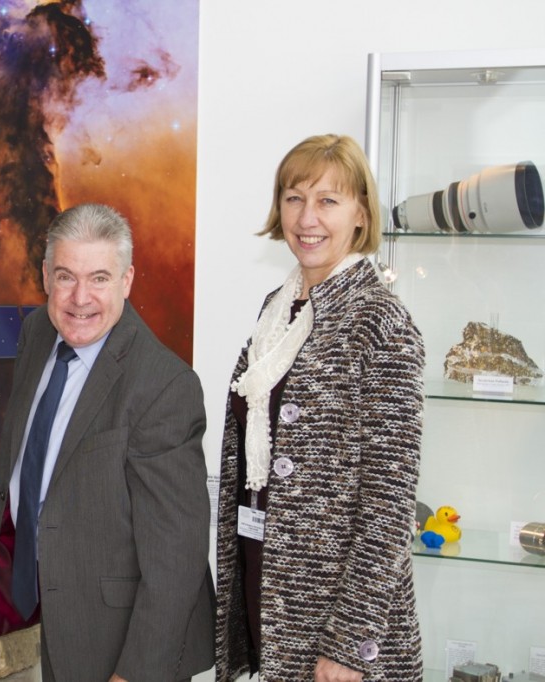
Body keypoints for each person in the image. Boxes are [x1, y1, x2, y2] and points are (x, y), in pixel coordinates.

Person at [0, 203, 216, 682]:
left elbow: (176, 558)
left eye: (99, 278)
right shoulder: (39, 331)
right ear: (45, 276)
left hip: (121, 639)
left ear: (126, 280)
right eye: (66, 276)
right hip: (57, 613)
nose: (80, 298)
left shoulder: (164, 387)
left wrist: (135, 674)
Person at [213, 134, 424, 681]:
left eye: (328, 200)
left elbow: (391, 502)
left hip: (340, 626)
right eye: (294, 197)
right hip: (269, 588)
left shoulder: (380, 322)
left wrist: (350, 644)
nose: (308, 217)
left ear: (360, 213)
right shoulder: (277, 311)